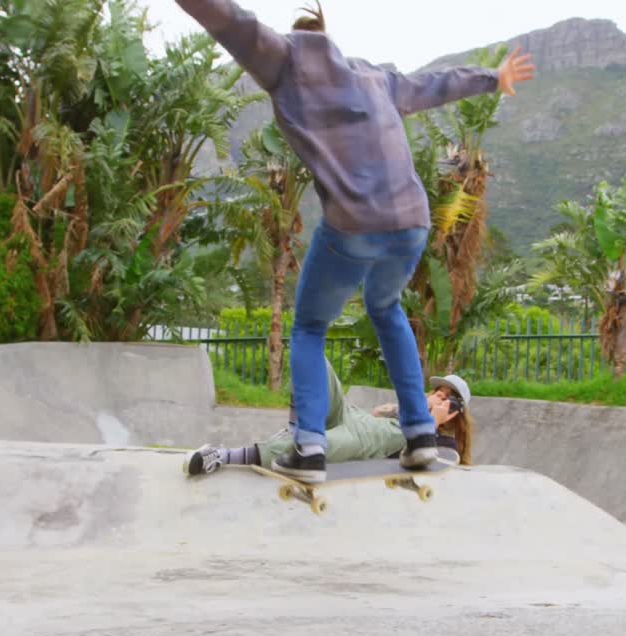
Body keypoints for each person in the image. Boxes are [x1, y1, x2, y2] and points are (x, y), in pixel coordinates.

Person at [173, 0, 534, 483]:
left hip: (353, 224)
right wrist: (494, 77)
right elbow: (435, 85)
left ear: (292, 37)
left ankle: (309, 449)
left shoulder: (279, 60)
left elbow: (226, 17)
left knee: (307, 329)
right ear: (329, 36)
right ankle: (422, 436)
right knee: (385, 310)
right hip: (412, 221)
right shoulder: (373, 76)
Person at [184, 357, 475, 477]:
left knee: (313, 447)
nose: (437, 396)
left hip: (364, 439)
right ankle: (297, 427)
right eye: (437, 390)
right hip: (351, 415)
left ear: (453, 413)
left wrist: (432, 423)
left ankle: (221, 456)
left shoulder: (442, 444)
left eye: (446, 396)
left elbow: (437, 466)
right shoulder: (401, 411)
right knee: (314, 358)